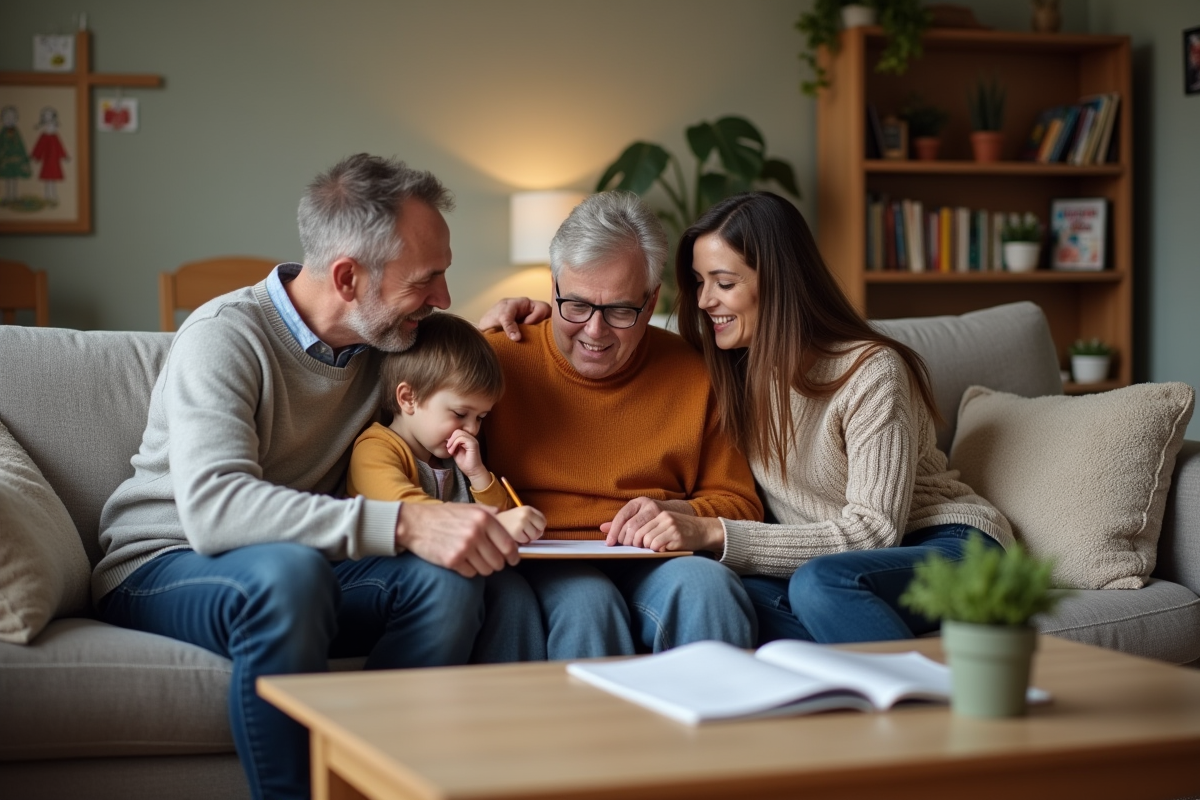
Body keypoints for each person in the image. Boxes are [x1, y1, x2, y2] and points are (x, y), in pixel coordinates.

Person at [94, 154, 541, 800]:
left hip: (302, 566)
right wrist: (409, 520)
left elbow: (440, 382)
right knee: (290, 574)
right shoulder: (224, 338)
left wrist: (503, 327)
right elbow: (215, 509)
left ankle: (373, 781)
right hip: (165, 562)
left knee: (449, 580)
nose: (443, 297)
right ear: (347, 277)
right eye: (429, 279)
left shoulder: (380, 340)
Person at [664, 191, 1014, 644]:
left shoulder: (871, 370)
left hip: (946, 543)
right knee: (724, 594)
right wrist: (542, 318)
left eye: (724, 283)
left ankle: (916, 703)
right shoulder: (732, 368)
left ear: (779, 282)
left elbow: (874, 532)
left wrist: (712, 532)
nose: (703, 301)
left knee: (822, 585)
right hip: (831, 562)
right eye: (698, 282)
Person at [478, 191, 763, 659]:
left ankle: (719, 731)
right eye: (577, 305)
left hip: (652, 559)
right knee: (588, 604)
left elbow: (740, 502)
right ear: (552, 289)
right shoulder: (496, 358)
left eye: (619, 311)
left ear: (650, 304)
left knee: (710, 589)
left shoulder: (695, 373)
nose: (594, 330)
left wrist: (681, 513)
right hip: (539, 558)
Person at [346, 311, 546, 544]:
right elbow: (406, 511)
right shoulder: (374, 449)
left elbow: (505, 521)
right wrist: (491, 524)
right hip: (386, 571)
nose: (471, 428)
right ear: (409, 398)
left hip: (452, 565)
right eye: (460, 414)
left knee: (512, 583)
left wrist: (477, 474)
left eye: (481, 417)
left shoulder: (455, 456)